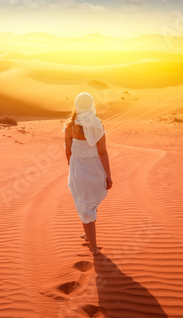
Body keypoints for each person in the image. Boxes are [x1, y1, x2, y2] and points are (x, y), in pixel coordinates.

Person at [64, 92, 113, 256]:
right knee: (90, 205)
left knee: (85, 206)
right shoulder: (98, 125)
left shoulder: (70, 126)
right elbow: (103, 152)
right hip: (95, 169)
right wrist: (108, 174)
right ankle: (89, 236)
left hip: (78, 170)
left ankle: (93, 247)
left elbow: (68, 153)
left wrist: (73, 168)